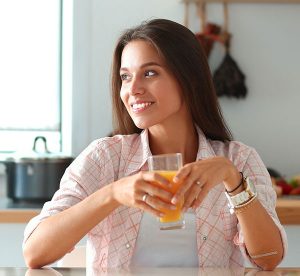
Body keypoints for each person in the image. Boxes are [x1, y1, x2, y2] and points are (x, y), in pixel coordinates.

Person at [23, 18, 287, 270]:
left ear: (188, 79)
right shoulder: (105, 157)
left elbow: (269, 260)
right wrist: (113, 194)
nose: (133, 88)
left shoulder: (239, 160)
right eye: (126, 77)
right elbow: (35, 253)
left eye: (149, 73)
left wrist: (234, 181)